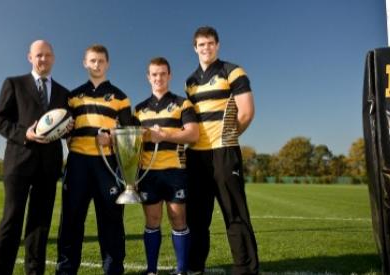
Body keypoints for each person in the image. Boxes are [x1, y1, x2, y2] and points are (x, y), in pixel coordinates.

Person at [0, 40, 71, 275]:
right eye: (38, 55)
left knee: (40, 226)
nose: (43, 59)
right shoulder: (14, 84)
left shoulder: (63, 93)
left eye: (47, 55)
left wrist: (69, 128)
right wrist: (24, 133)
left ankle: (34, 272)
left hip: (49, 166)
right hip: (19, 163)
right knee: (11, 221)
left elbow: (64, 128)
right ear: (29, 57)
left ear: (53, 58)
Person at [184, 26, 259, 275]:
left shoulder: (232, 71)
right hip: (196, 156)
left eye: (210, 43)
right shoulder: (190, 83)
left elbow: (246, 111)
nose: (206, 48)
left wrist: (227, 139)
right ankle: (195, 267)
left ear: (217, 45)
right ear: (195, 48)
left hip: (223, 152)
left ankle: (245, 269)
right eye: (201, 44)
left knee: (234, 213)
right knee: (196, 218)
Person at [55, 44, 134, 275]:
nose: (96, 65)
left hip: (107, 166)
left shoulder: (121, 97)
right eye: (92, 61)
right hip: (78, 163)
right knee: (70, 221)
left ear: (107, 64)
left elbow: (129, 136)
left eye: (100, 61)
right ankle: (66, 271)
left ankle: (113, 270)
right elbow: (65, 132)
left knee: (111, 222)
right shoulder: (72, 96)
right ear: (85, 63)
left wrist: (112, 139)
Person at [134, 57, 199, 275]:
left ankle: (181, 271)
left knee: (177, 218)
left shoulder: (183, 103)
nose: (158, 78)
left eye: (162, 73)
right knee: (152, 220)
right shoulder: (139, 109)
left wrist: (165, 134)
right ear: (148, 77)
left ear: (169, 75)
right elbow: (132, 142)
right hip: (148, 172)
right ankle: (151, 270)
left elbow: (193, 134)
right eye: (154, 74)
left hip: (175, 171)